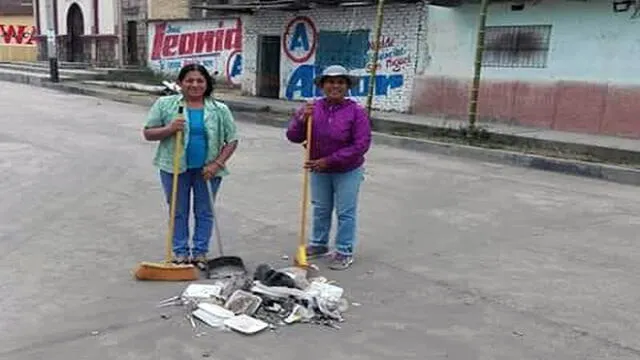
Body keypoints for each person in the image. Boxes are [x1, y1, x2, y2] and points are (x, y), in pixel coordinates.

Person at [142, 63, 239, 265]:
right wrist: (169, 128)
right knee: (178, 210)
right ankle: (180, 252)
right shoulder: (165, 105)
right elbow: (148, 133)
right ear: (180, 83)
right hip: (174, 167)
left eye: (199, 80)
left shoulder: (219, 109)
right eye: (189, 80)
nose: (194, 84)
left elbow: (232, 140)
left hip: (208, 170)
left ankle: (200, 252)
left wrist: (217, 164)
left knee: (204, 211)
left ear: (206, 84)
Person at [285, 65, 372, 270]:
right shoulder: (312, 108)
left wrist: (329, 160)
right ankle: (319, 244)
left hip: (348, 169)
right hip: (318, 168)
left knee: (345, 211)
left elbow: (361, 145)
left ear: (347, 87)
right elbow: (293, 137)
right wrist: (300, 119)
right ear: (323, 85)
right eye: (331, 82)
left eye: (341, 82)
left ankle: (344, 250)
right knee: (321, 208)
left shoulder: (357, 112)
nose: (335, 86)